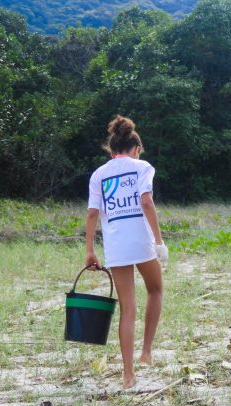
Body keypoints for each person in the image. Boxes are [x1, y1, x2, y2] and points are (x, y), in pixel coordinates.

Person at [85, 115, 168, 389]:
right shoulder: (142, 167)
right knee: (155, 289)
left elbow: (92, 214)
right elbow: (146, 201)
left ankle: (128, 374)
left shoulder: (99, 174)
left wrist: (89, 251)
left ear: (112, 152)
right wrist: (159, 241)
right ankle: (146, 351)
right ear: (136, 148)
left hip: (116, 245)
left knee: (127, 309)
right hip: (142, 243)